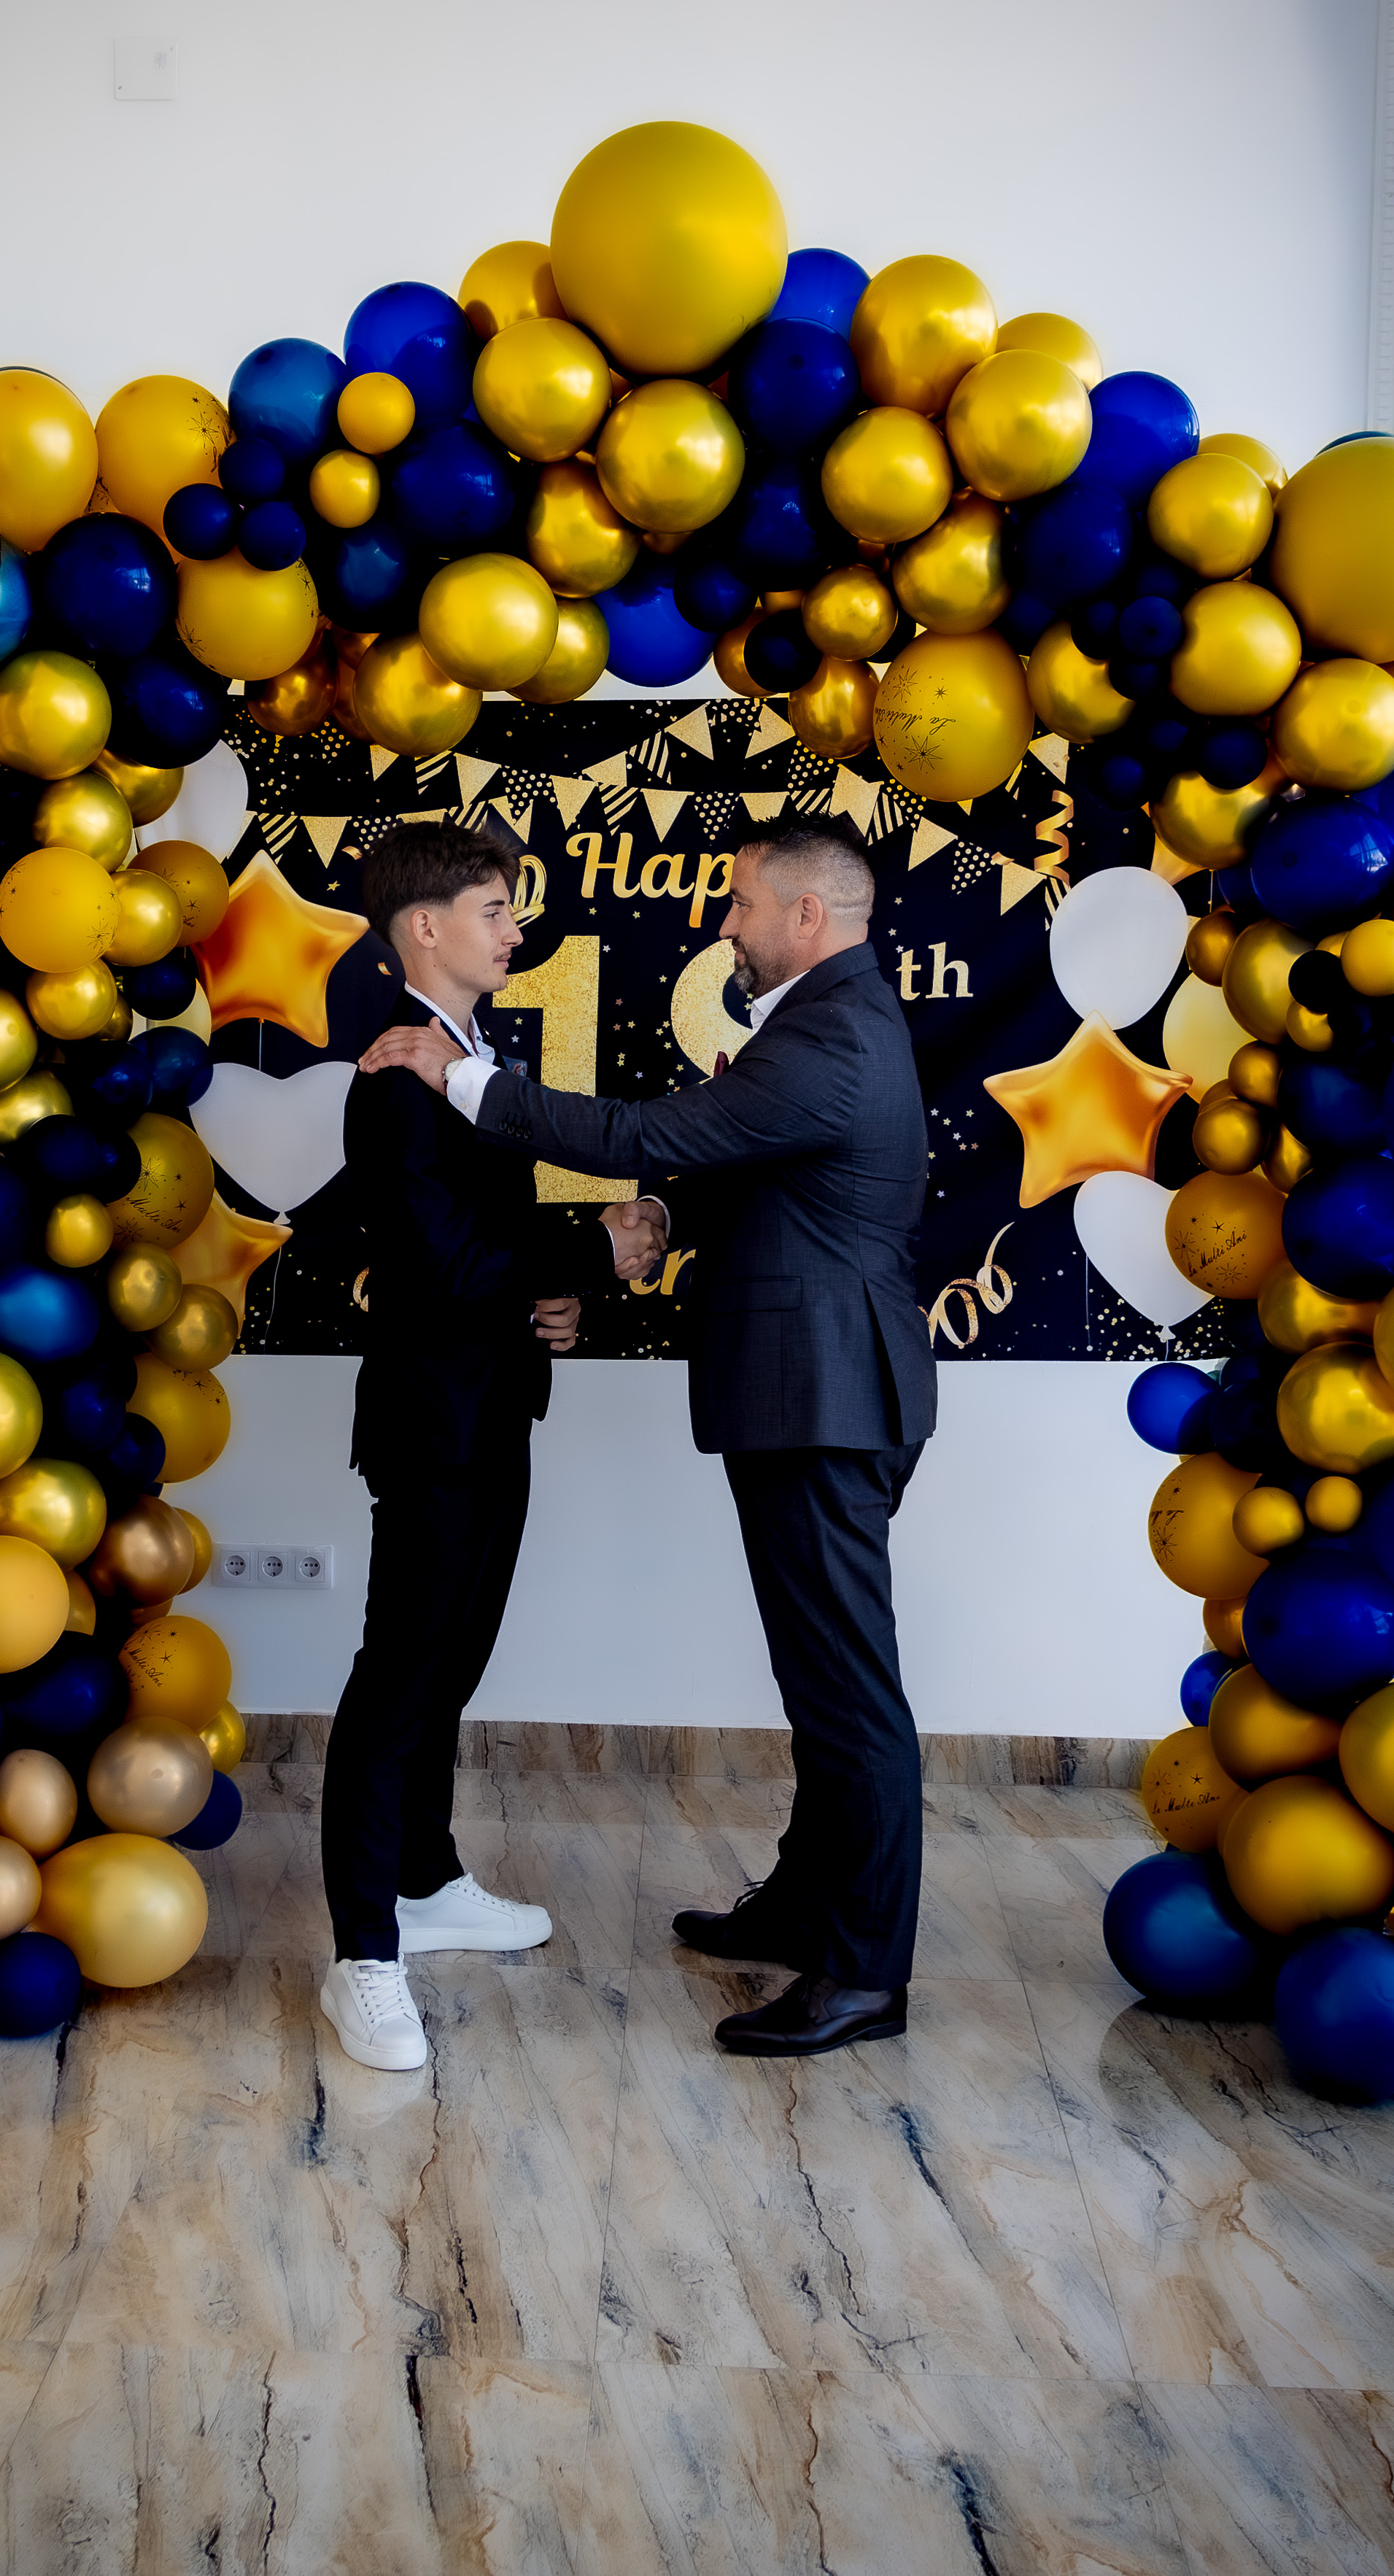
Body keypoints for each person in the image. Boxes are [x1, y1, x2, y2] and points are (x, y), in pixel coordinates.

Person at [359, 815, 932, 2059]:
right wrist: (656, 1220)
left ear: (807, 917)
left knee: (849, 1692)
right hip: (805, 1391)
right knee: (819, 1679)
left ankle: (863, 1972)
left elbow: (643, 1137)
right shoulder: (820, 1025)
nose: (724, 924)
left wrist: (464, 1080)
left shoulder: (832, 1033)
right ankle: (805, 1901)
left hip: (828, 1393)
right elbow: (744, 1168)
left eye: (741, 904)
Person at [320, 822, 659, 2074]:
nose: (515, 930)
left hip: (492, 1405)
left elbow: (483, 1258)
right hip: (432, 1424)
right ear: (425, 929)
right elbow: (444, 1263)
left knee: (450, 1666)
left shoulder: (468, 1060)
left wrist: (551, 1301)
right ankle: (362, 1955)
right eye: (494, 910)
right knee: (399, 1679)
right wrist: (596, 1254)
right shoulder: (393, 1075)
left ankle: (424, 1881)